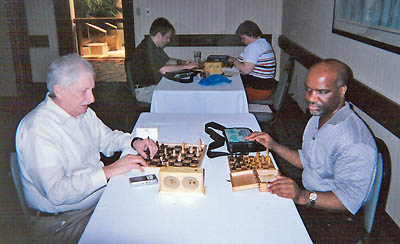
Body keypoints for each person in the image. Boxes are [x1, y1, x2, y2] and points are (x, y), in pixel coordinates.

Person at [15, 54, 158, 243]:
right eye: (84, 91)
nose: (91, 98)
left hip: (96, 202)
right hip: (64, 224)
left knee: (151, 210)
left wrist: (134, 142)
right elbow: (58, 193)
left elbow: (107, 139)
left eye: (92, 90)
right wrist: (109, 171)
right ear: (60, 91)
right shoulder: (37, 129)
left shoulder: (81, 112)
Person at [246, 59, 377, 244]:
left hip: (335, 219)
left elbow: (348, 202)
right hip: (310, 196)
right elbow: (308, 161)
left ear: (342, 91)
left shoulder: (354, 141)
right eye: (308, 89)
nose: (311, 98)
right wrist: (274, 145)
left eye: (322, 92)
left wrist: (301, 196)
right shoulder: (319, 117)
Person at [129, 17, 198, 103]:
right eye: (167, 37)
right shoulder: (147, 48)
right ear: (158, 36)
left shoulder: (152, 45)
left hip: (152, 86)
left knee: (180, 90)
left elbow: (167, 61)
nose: (168, 40)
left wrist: (182, 62)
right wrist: (186, 67)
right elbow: (164, 70)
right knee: (180, 98)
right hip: (145, 91)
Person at [228, 20, 277, 101]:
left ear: (251, 35)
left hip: (259, 90)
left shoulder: (254, 46)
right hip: (265, 87)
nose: (242, 41)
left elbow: (246, 70)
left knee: (228, 92)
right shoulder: (263, 43)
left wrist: (234, 61)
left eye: (243, 38)